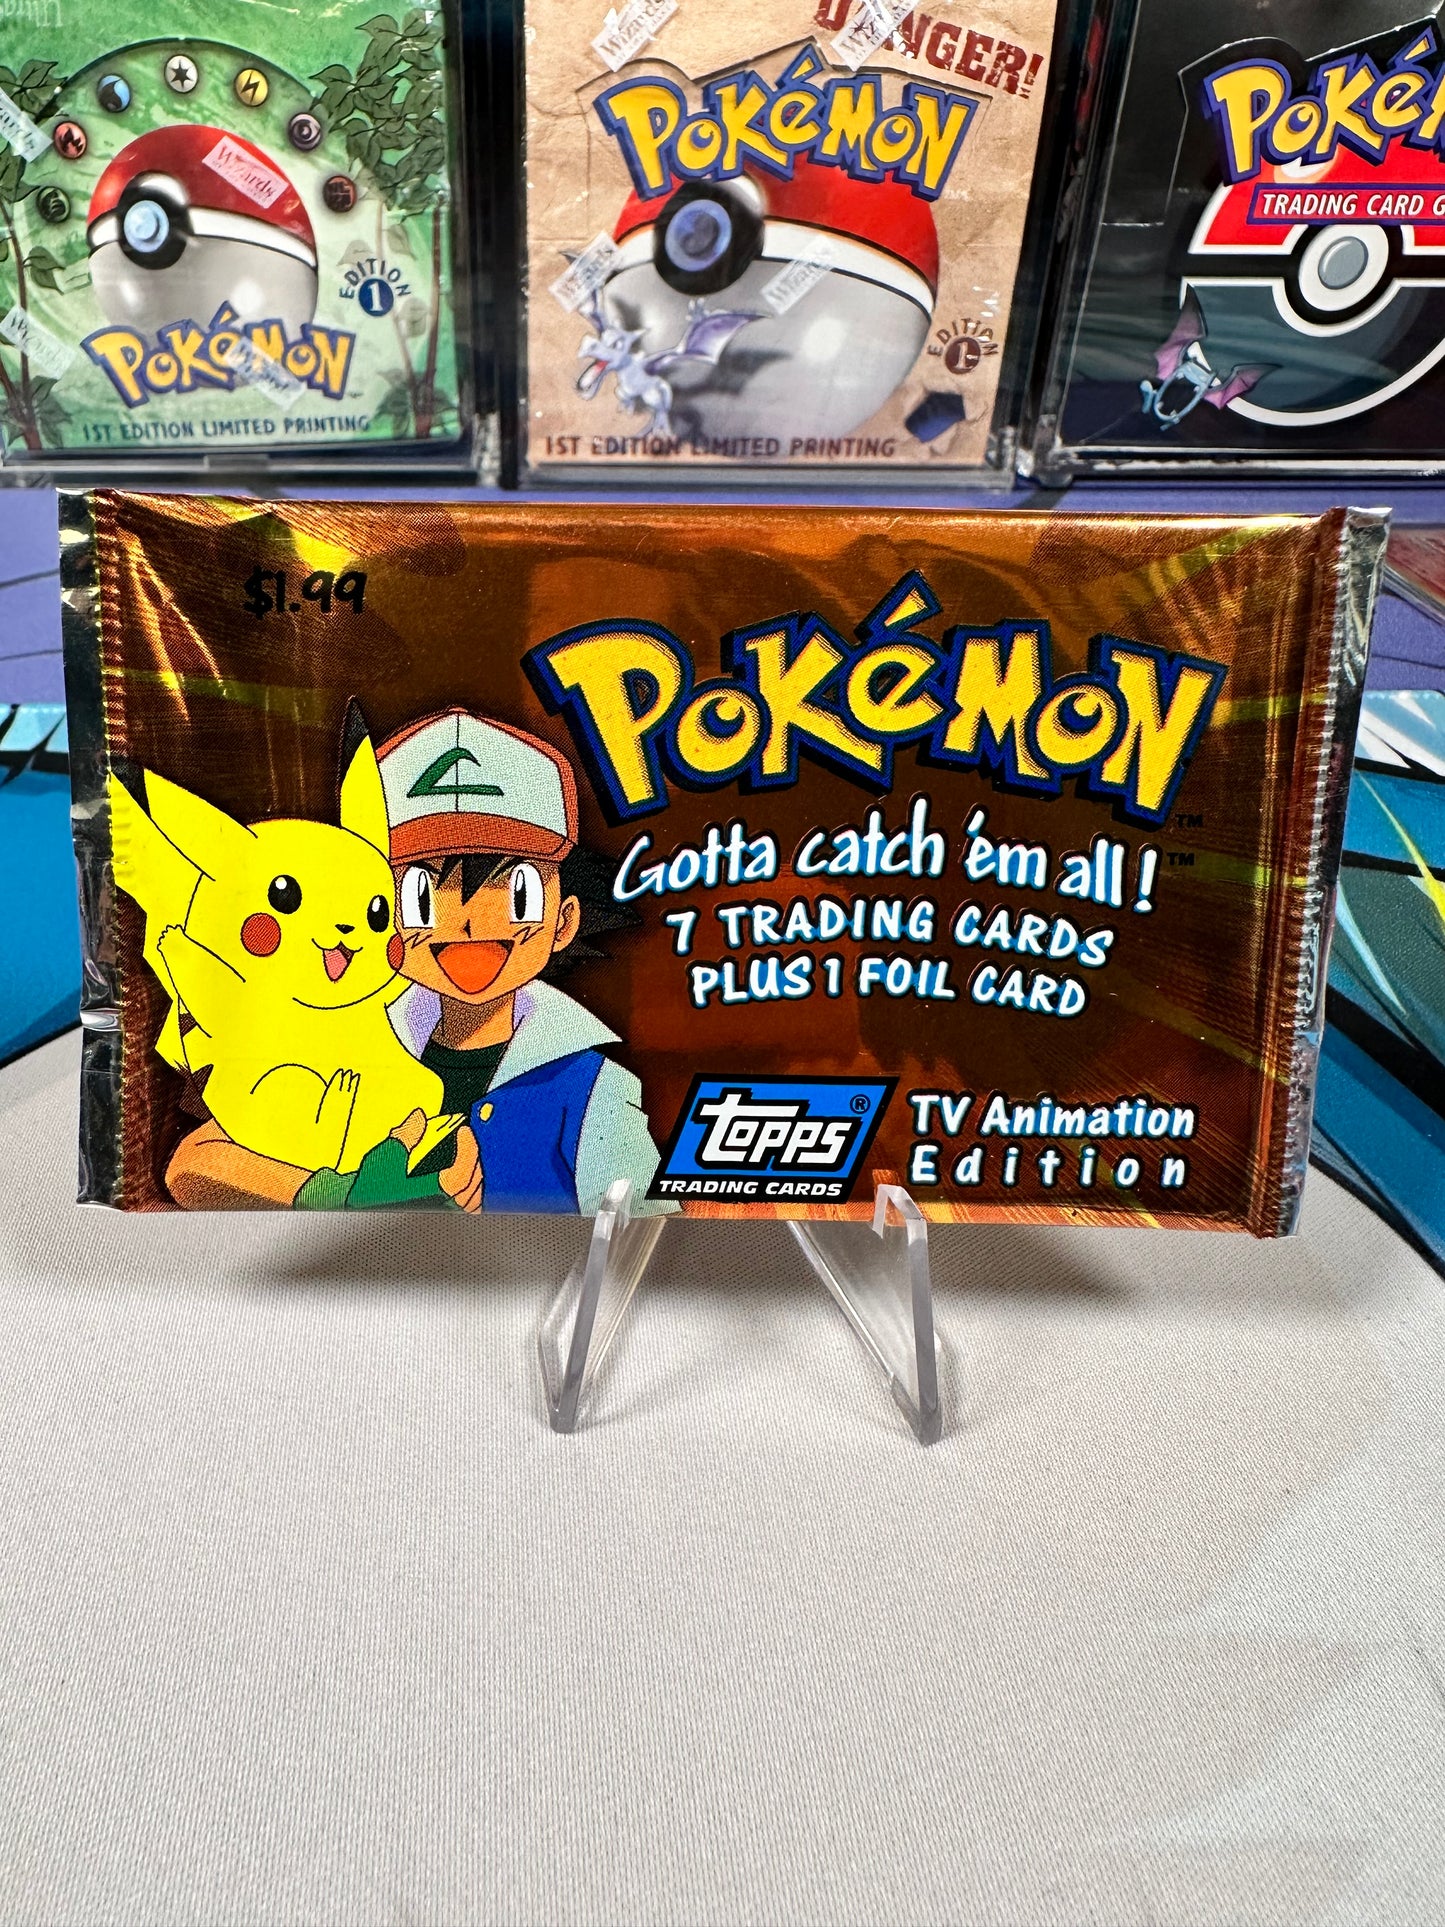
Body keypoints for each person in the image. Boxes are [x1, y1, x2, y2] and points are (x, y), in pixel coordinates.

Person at [165, 706, 666, 1215]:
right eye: (420, 895)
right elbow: (193, 1165)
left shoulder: (593, 1086)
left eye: (518, 893)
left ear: (563, 920)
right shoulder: (352, 1033)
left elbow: (650, 1219)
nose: (467, 923)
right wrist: (338, 1194)